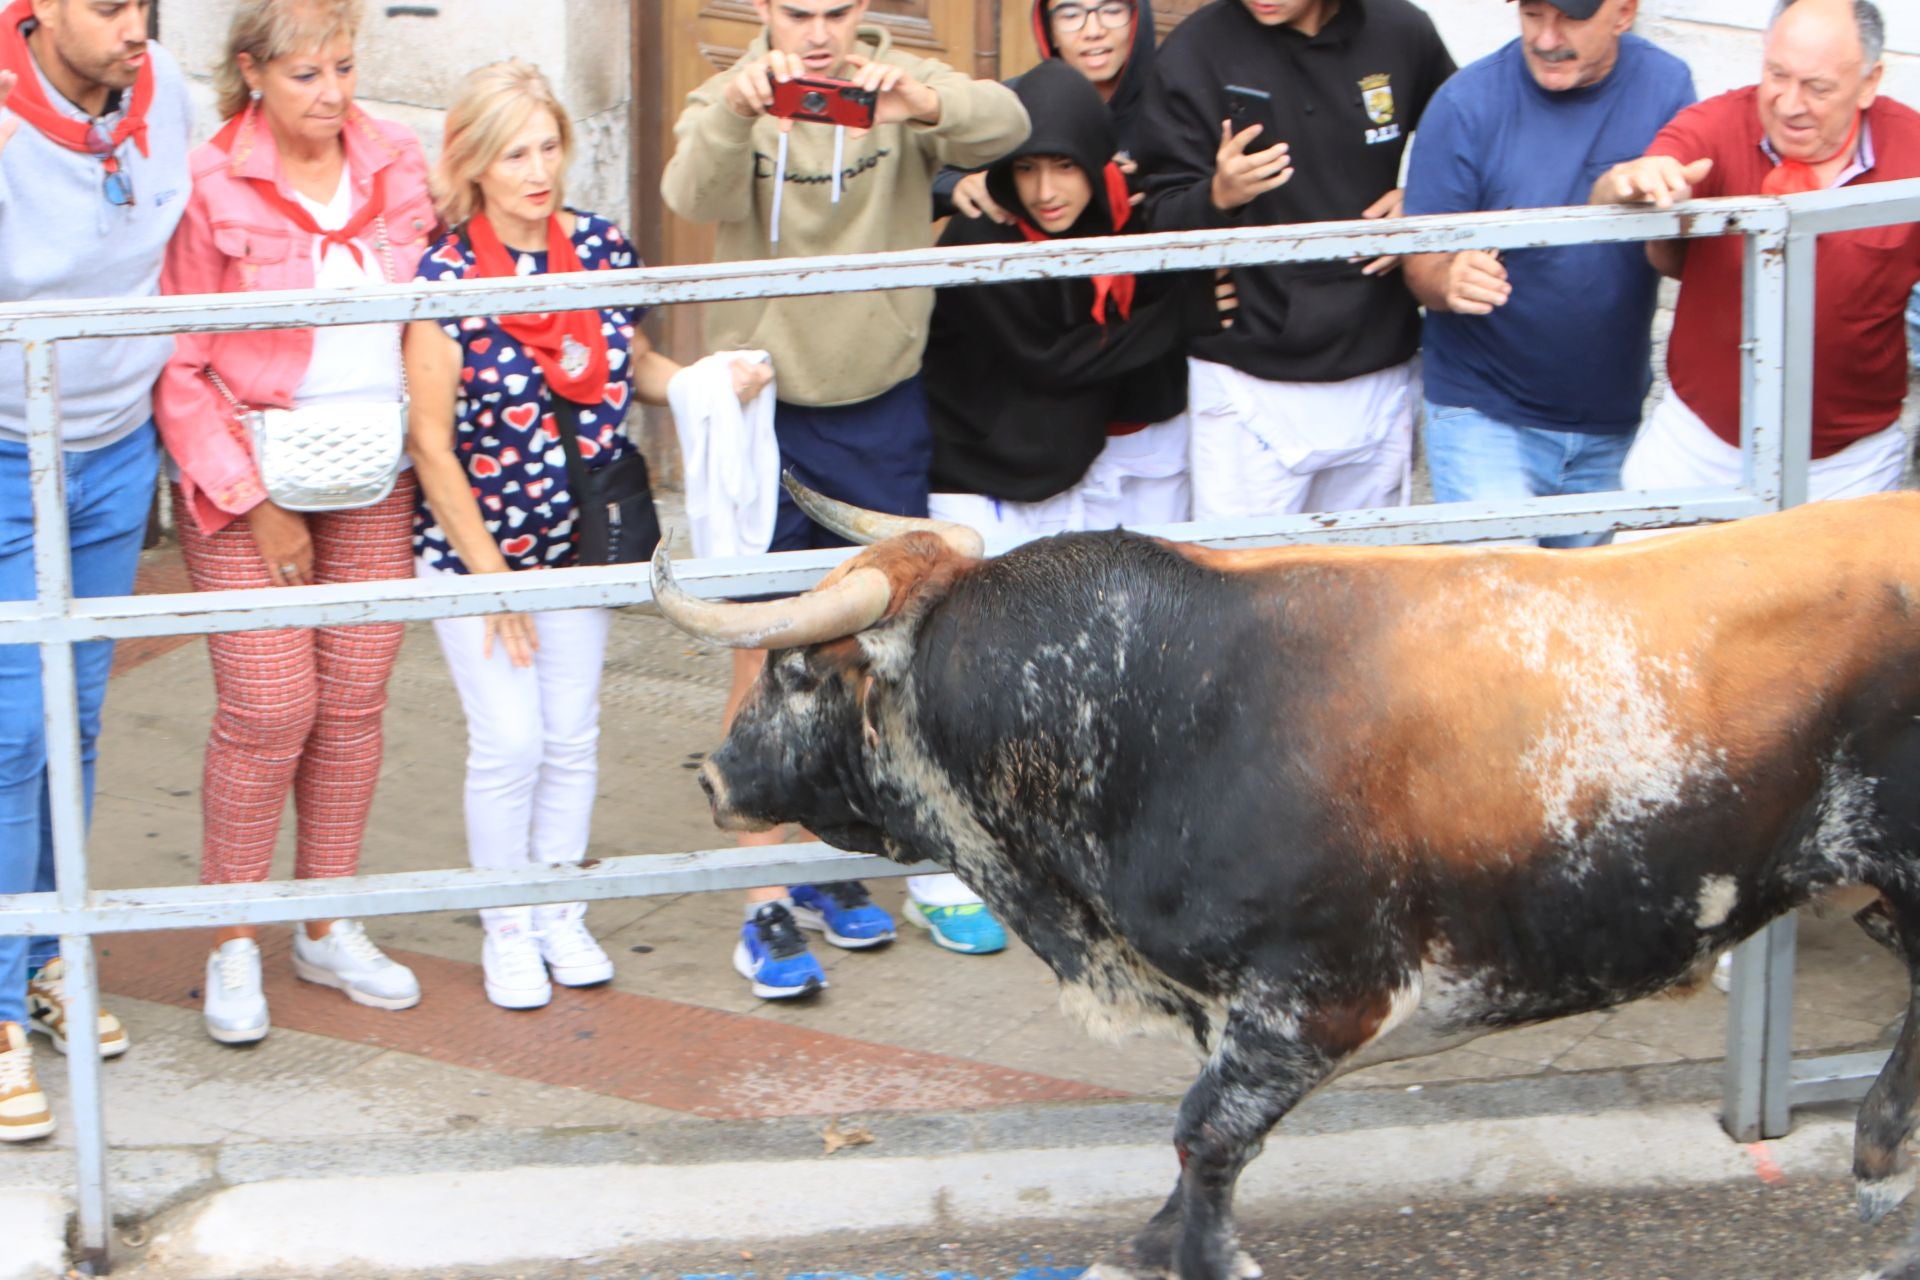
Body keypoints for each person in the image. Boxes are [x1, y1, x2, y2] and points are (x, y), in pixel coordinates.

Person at [660, 0, 1029, 994]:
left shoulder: (902, 87)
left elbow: (1008, 124)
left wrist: (919, 99)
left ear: (861, 12)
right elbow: (689, 189)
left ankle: (839, 859)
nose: (815, 33)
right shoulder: (726, 91)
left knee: (879, 648)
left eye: (834, 10)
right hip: (768, 410)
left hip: (878, 406)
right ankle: (762, 900)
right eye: (795, 12)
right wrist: (737, 111)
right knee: (763, 643)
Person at [409, 60, 769, 1011]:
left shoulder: (602, 251)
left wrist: (700, 382)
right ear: (475, 165)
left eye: (549, 145)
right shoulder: (446, 279)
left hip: (584, 537)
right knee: (510, 741)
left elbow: (631, 362)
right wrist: (493, 583)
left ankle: (560, 906)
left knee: (571, 736)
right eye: (514, 152)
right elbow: (431, 447)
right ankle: (508, 922)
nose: (538, 169)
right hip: (478, 554)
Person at [152, 0, 433, 1047]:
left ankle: (325, 917)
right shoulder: (210, 178)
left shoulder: (397, 158)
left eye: (346, 68)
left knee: (354, 703)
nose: (333, 94)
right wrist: (255, 504)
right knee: (270, 709)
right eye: (308, 74)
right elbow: (177, 361)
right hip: (249, 480)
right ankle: (233, 933)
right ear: (252, 73)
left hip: (374, 474)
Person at [0, 0, 190, 1141]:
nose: (135, 24)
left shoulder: (163, 84)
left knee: (73, 717)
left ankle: (48, 952)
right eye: (109, 5)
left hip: (119, 445)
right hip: (8, 452)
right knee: (11, 727)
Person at [1134, 0, 1454, 522]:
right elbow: (1157, 222)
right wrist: (1219, 194)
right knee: (1241, 588)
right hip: (1246, 379)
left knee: (1359, 588)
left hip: (1380, 367)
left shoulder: (1402, 30)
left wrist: (1425, 197)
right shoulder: (1195, 50)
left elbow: (1466, 141)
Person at [1594, 0, 1919, 503]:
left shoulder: (1912, 152)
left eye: (1818, 87)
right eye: (1777, 74)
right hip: (1697, 447)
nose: (1790, 104)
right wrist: (1629, 181)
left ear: (1870, 82)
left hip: (1848, 467)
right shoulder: (1718, 124)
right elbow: (1639, 175)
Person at [1402, 0, 1694, 546]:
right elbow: (1418, 264)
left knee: (1596, 624)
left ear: (1624, 13)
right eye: (1533, 14)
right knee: (1501, 618)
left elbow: (1687, 246)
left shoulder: (1666, 86)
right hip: (1484, 414)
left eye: (1572, 18)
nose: (1546, 37)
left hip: (1609, 421)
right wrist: (1449, 279)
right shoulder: (1465, 103)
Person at [925, 60, 1232, 541]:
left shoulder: (1115, 209)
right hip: (976, 486)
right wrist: (1181, 314)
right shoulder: (981, 237)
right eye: (1026, 169)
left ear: (1093, 158)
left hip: (1065, 478)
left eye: (1065, 166)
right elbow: (1052, 359)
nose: (1046, 192)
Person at [936, 0, 1159, 224]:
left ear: (1136, 18)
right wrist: (957, 185)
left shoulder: (1172, 98)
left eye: (1111, 11)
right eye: (1070, 15)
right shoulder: (1014, 103)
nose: (1093, 31)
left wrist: (1162, 188)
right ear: (1049, 30)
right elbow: (921, 174)